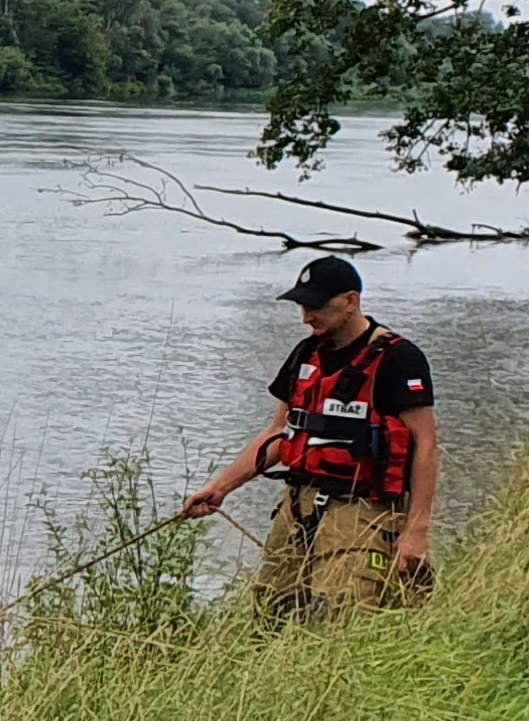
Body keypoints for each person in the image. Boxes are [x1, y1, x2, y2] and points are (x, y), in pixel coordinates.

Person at [181, 254, 441, 619]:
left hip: (361, 511)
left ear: (350, 301)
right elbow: (278, 432)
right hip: (298, 506)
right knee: (270, 611)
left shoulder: (399, 359)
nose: (307, 316)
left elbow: (426, 447)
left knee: (339, 618)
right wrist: (221, 488)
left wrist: (416, 532)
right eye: (303, 306)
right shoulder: (306, 354)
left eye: (317, 305)